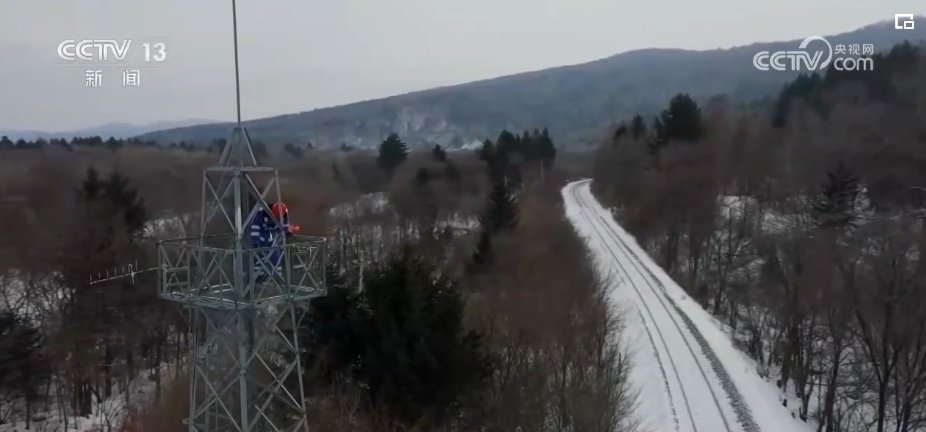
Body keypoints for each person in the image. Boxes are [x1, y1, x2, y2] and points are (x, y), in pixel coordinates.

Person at [250, 201, 298, 283]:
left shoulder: (284, 212)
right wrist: (255, 241)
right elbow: (255, 227)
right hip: (261, 236)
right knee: (259, 258)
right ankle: (258, 279)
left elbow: (286, 223)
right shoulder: (262, 212)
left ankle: (276, 280)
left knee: (275, 258)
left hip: (273, 237)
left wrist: (288, 231)